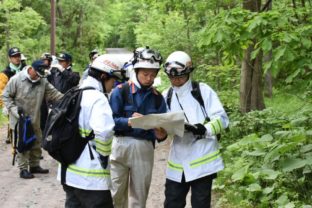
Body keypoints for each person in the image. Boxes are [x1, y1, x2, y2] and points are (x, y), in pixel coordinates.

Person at [162, 51, 229, 208]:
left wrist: (204, 129)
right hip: (178, 160)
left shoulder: (203, 91)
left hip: (202, 160)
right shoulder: (167, 95)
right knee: (172, 202)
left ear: (188, 73)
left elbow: (222, 119)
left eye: (179, 76)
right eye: (172, 77)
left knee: (200, 203)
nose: (176, 80)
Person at [58, 54, 127, 208]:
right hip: (91, 178)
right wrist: (104, 156)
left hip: (69, 173)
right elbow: (104, 132)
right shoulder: (97, 98)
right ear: (103, 76)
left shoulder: (76, 91)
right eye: (113, 80)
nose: (113, 85)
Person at [109, 47, 168, 208]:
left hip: (144, 147)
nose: (149, 78)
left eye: (153, 75)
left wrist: (161, 132)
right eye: (145, 74)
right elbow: (109, 122)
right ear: (136, 71)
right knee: (115, 194)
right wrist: (128, 121)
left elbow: (163, 134)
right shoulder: (120, 92)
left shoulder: (157, 98)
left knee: (139, 196)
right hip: (120, 145)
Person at [2, 60, 63, 179]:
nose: (39, 78)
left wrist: (69, 98)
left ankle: (34, 165)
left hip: (35, 117)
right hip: (20, 120)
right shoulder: (17, 79)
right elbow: (5, 96)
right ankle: (23, 169)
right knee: (23, 143)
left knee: (36, 141)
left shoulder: (43, 81)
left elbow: (55, 94)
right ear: (32, 70)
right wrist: (14, 110)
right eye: (38, 74)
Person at [0, 47, 26, 144]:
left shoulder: (26, 70)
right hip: (11, 103)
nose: (17, 58)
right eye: (14, 56)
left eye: (18, 56)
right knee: (15, 126)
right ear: (9, 58)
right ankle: (15, 147)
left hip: (26, 101)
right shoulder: (4, 74)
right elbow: (1, 91)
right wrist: (4, 105)